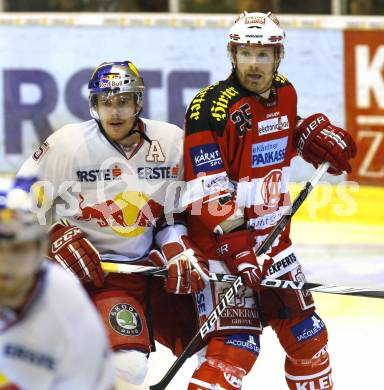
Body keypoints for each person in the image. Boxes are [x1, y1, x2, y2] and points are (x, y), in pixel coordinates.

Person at [183, 11, 357, 390]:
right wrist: (236, 246)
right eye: (246, 53)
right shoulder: (209, 106)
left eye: (264, 54)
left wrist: (306, 135)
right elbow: (204, 185)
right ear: (232, 53)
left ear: (279, 56)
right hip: (221, 248)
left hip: (274, 245)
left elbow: (274, 133)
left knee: (309, 338)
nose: (255, 64)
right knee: (234, 350)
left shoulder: (286, 92)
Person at [18, 60, 209, 386]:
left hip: (138, 274)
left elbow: (172, 213)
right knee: (114, 364)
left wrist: (177, 245)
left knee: (208, 342)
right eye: (106, 102)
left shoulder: (171, 142)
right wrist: (55, 233)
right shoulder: (68, 144)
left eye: (123, 101)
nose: (115, 111)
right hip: (81, 275)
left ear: (138, 102)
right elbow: (18, 198)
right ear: (94, 105)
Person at [0, 174, 114, 390]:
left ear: (40, 250)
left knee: (129, 366)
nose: (6, 263)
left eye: (17, 249)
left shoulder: (64, 299)